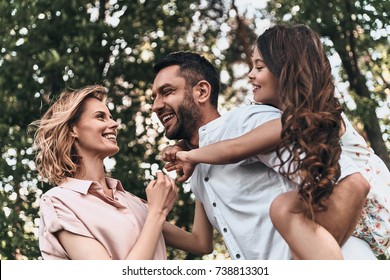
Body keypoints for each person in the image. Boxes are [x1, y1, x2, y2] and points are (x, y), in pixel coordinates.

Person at [167, 24, 390, 259]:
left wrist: (189, 155)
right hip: (354, 212)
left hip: (369, 207)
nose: (251, 74)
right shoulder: (290, 116)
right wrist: (187, 147)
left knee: (284, 210)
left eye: (259, 66)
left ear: (285, 70)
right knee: (287, 212)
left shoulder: (297, 119)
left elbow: (238, 146)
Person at [31, 85, 213, 260]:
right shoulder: (59, 202)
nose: (114, 124)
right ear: (73, 130)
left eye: (110, 117)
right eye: (100, 117)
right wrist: (158, 211)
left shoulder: (130, 201)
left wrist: (197, 162)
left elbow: (200, 243)